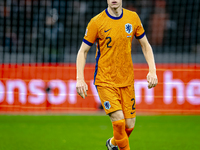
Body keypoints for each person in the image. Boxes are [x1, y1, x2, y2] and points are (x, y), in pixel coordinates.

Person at [76, 0, 158, 150]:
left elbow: (146, 45)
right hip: (105, 80)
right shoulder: (97, 21)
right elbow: (83, 51)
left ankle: (112, 143)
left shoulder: (132, 18)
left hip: (126, 80)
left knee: (129, 125)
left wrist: (152, 70)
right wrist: (80, 79)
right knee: (119, 122)